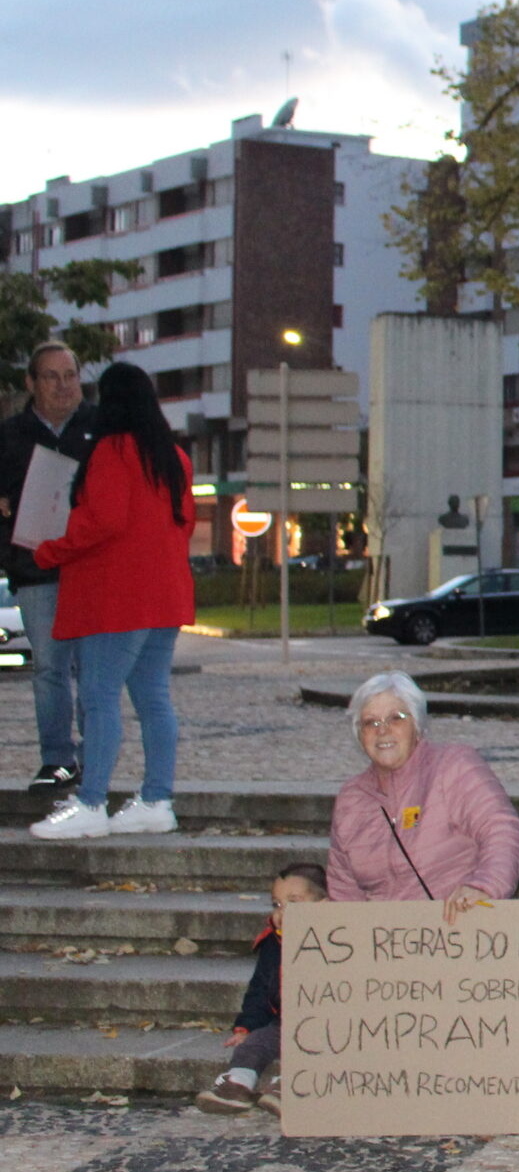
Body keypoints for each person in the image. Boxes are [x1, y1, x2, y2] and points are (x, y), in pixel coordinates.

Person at [28, 361, 194, 841]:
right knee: (154, 699)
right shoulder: (173, 456)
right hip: (165, 595)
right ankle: (157, 799)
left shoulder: (112, 450)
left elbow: (101, 522)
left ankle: (91, 802)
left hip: (117, 596)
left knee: (99, 698)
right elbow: (181, 524)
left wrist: (48, 551)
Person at [328, 671, 519, 912]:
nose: (382, 731)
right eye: (370, 722)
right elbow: (344, 888)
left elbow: (503, 831)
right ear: (359, 735)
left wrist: (484, 886)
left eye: (396, 718)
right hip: (384, 939)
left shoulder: (453, 766)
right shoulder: (351, 798)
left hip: (457, 928)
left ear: (417, 725)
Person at [0, 342, 95, 796]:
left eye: (70, 375)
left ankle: (96, 757)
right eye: (52, 377)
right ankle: (58, 759)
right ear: (31, 384)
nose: (63, 386)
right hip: (36, 570)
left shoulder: (101, 428)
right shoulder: (9, 436)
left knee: (94, 668)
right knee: (51, 668)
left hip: (92, 569)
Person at [194, 861, 327, 1117]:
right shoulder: (273, 943)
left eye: (294, 902)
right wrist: (247, 1027)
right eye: (277, 904)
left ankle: (291, 1087)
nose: (281, 912)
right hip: (284, 1022)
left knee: (315, 1048)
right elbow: (259, 990)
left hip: (325, 1022)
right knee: (254, 1044)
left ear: (323, 905)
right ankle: (237, 1085)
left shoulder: (338, 940)